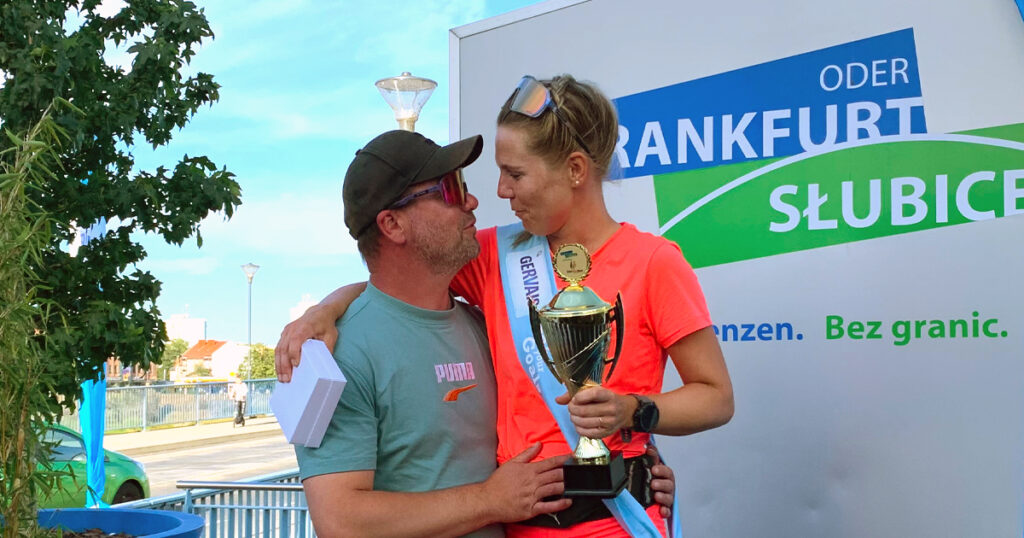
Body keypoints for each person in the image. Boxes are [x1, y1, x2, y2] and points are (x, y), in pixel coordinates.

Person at [280, 74, 724, 537]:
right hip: (520, 526)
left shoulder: (654, 261)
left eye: (515, 174)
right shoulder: (498, 257)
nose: (498, 191)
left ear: (575, 170)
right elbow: (398, 277)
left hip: (616, 520)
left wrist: (635, 410)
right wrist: (322, 313)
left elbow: (715, 395)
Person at [294, 130, 573, 538]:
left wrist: (637, 477)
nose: (471, 201)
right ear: (392, 224)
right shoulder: (332, 351)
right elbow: (340, 521)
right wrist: (488, 501)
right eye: (450, 188)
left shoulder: (483, 324)